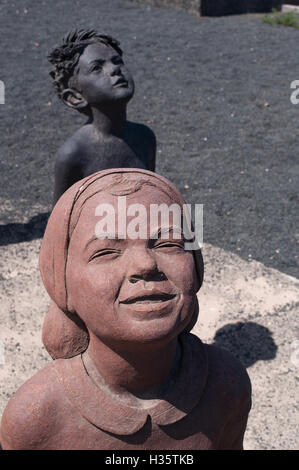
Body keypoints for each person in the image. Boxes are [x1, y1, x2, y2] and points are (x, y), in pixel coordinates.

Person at [0, 169, 251, 450]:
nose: (145, 265)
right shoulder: (36, 418)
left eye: (169, 243)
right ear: (63, 284)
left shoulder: (226, 384)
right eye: (106, 252)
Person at [48, 30, 156, 204]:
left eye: (117, 61)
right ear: (75, 97)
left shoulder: (145, 137)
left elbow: (153, 196)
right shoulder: (72, 154)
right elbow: (60, 222)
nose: (114, 70)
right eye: (97, 68)